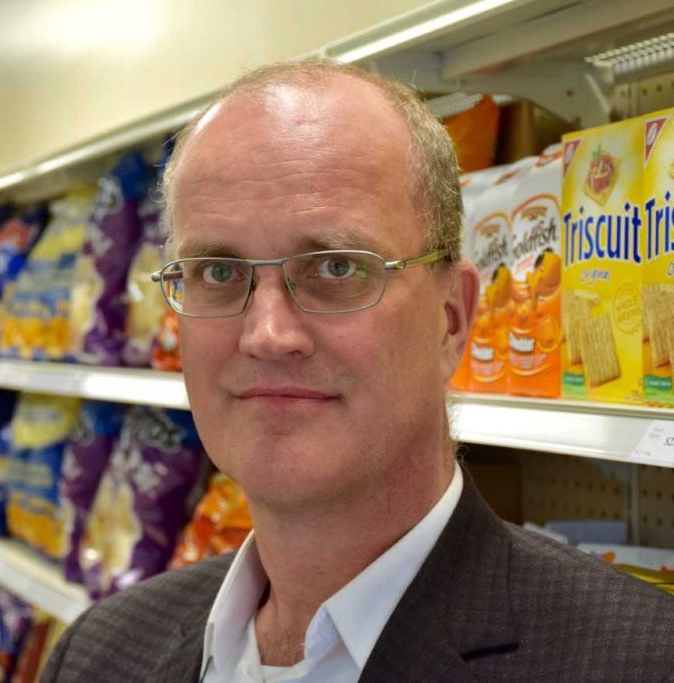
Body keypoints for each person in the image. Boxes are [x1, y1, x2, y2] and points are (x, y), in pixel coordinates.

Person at [41, 59, 674, 682]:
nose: (267, 335)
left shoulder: (640, 661)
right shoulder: (98, 653)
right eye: (217, 273)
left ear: (452, 318)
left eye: (337, 268)